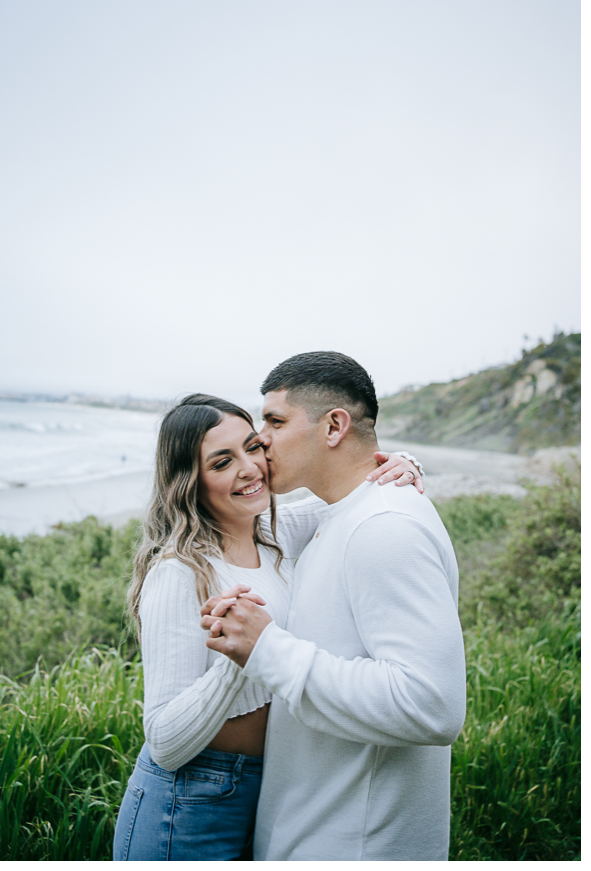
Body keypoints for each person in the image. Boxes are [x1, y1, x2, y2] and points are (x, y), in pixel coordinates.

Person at [112, 392, 424, 861]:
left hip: (270, 788)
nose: (249, 468)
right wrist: (238, 660)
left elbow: (355, 493)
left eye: (253, 446)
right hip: (187, 803)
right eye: (222, 462)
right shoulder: (181, 572)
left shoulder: (279, 533)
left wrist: (405, 464)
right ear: (190, 483)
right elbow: (164, 742)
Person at [201, 351, 467, 861]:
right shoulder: (341, 515)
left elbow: (432, 705)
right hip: (320, 832)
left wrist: (268, 649)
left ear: (334, 426)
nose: (260, 439)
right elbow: (228, 522)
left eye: (275, 421)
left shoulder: (384, 528)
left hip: (355, 844)